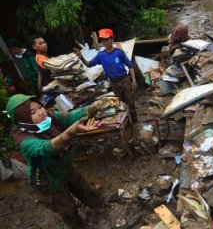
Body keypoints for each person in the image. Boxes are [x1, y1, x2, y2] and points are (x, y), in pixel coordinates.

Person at [6, 94, 119, 228]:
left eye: (40, 106)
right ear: (22, 118)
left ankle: (104, 210)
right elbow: (46, 148)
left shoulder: (51, 118)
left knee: (87, 191)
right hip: (47, 181)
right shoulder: (23, 139)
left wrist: (95, 106)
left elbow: (71, 117)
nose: (41, 112)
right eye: (33, 112)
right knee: (68, 210)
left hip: (66, 167)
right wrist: (71, 131)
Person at [75, 28, 138, 122]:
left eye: (107, 39)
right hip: (114, 83)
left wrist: (134, 80)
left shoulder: (119, 53)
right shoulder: (101, 55)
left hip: (125, 81)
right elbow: (89, 64)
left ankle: (135, 122)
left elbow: (130, 66)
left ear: (112, 39)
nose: (105, 42)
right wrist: (81, 58)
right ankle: (126, 123)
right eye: (103, 40)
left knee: (130, 103)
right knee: (119, 104)